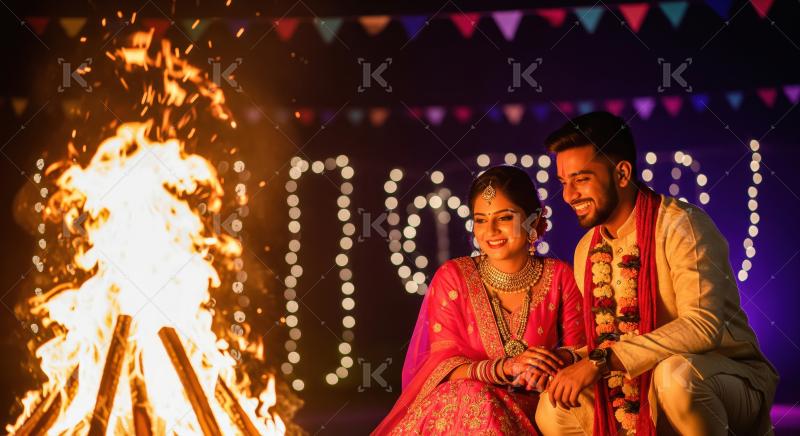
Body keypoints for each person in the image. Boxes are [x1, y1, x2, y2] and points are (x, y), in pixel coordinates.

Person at [536, 111, 779, 436]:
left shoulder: (682, 226)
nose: (568, 196)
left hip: (727, 378)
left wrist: (600, 361)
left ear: (622, 174)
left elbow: (702, 327)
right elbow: (612, 339)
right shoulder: (586, 250)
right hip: (639, 381)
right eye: (564, 183)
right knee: (554, 404)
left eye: (581, 179)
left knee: (674, 378)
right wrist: (565, 359)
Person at [373, 165, 586, 434]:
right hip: (463, 414)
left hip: (541, 411)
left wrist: (550, 363)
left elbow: (581, 351)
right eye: (481, 220)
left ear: (534, 220)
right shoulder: (453, 277)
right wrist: (506, 367)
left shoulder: (560, 276)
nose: (491, 230)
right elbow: (442, 366)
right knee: (472, 395)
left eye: (505, 217)